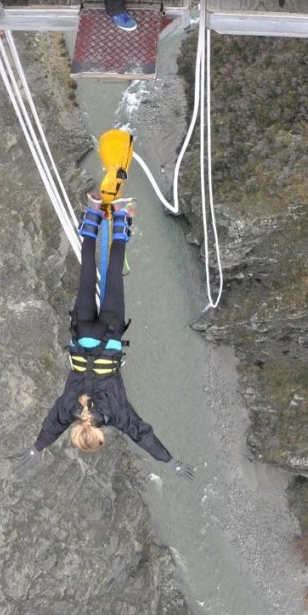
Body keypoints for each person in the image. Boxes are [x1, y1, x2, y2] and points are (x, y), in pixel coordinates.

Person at [24, 197, 195, 479]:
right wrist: (36, 448)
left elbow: (143, 435)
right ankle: (92, 213)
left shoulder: (117, 415)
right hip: (82, 335)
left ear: (100, 433)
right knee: (88, 274)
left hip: (110, 336)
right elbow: (51, 426)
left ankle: (123, 217)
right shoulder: (69, 410)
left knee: (112, 273)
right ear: (78, 431)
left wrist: (171, 461)